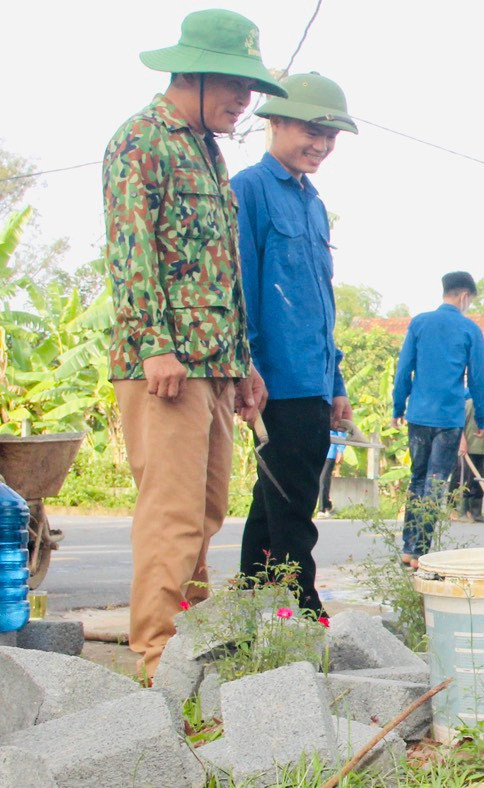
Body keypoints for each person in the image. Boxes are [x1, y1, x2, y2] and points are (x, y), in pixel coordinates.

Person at [103, 9, 279, 679]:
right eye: (233, 85)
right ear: (194, 73)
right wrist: (154, 346)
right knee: (172, 516)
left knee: (205, 515)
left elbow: (219, 271)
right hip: (165, 367)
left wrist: (241, 364)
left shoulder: (206, 149)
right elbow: (131, 251)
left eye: (249, 89)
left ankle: (188, 661)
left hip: (211, 365)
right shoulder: (142, 140)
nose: (244, 101)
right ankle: (154, 664)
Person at [233, 72, 357, 616]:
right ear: (274, 121)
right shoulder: (247, 191)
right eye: (312, 130)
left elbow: (319, 304)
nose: (322, 146)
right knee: (292, 503)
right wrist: (247, 370)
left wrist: (336, 384)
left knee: (273, 499)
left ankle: (250, 604)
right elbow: (242, 292)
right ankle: (301, 608)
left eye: (331, 137)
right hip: (273, 379)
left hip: (312, 376)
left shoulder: (313, 203)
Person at [392, 272, 484, 564]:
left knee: (417, 478)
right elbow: (480, 380)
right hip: (448, 419)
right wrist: (481, 418)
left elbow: (403, 369)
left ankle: (409, 547)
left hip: (419, 415)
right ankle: (421, 550)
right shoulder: (470, 329)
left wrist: (398, 407)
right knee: (435, 481)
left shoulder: (419, 323)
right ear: (464, 297)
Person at [448, 384, 484, 523]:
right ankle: (457, 510)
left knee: (479, 482)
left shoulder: (483, 409)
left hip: (478, 450)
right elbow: (458, 424)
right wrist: (462, 442)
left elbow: (482, 431)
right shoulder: (470, 404)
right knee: (462, 479)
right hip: (466, 450)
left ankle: (476, 512)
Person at [317, 429, 346, 517]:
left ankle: (322, 508)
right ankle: (327, 505)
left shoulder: (334, 416)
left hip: (330, 452)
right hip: (319, 451)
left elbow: (341, 431)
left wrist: (340, 451)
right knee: (323, 479)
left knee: (324, 479)